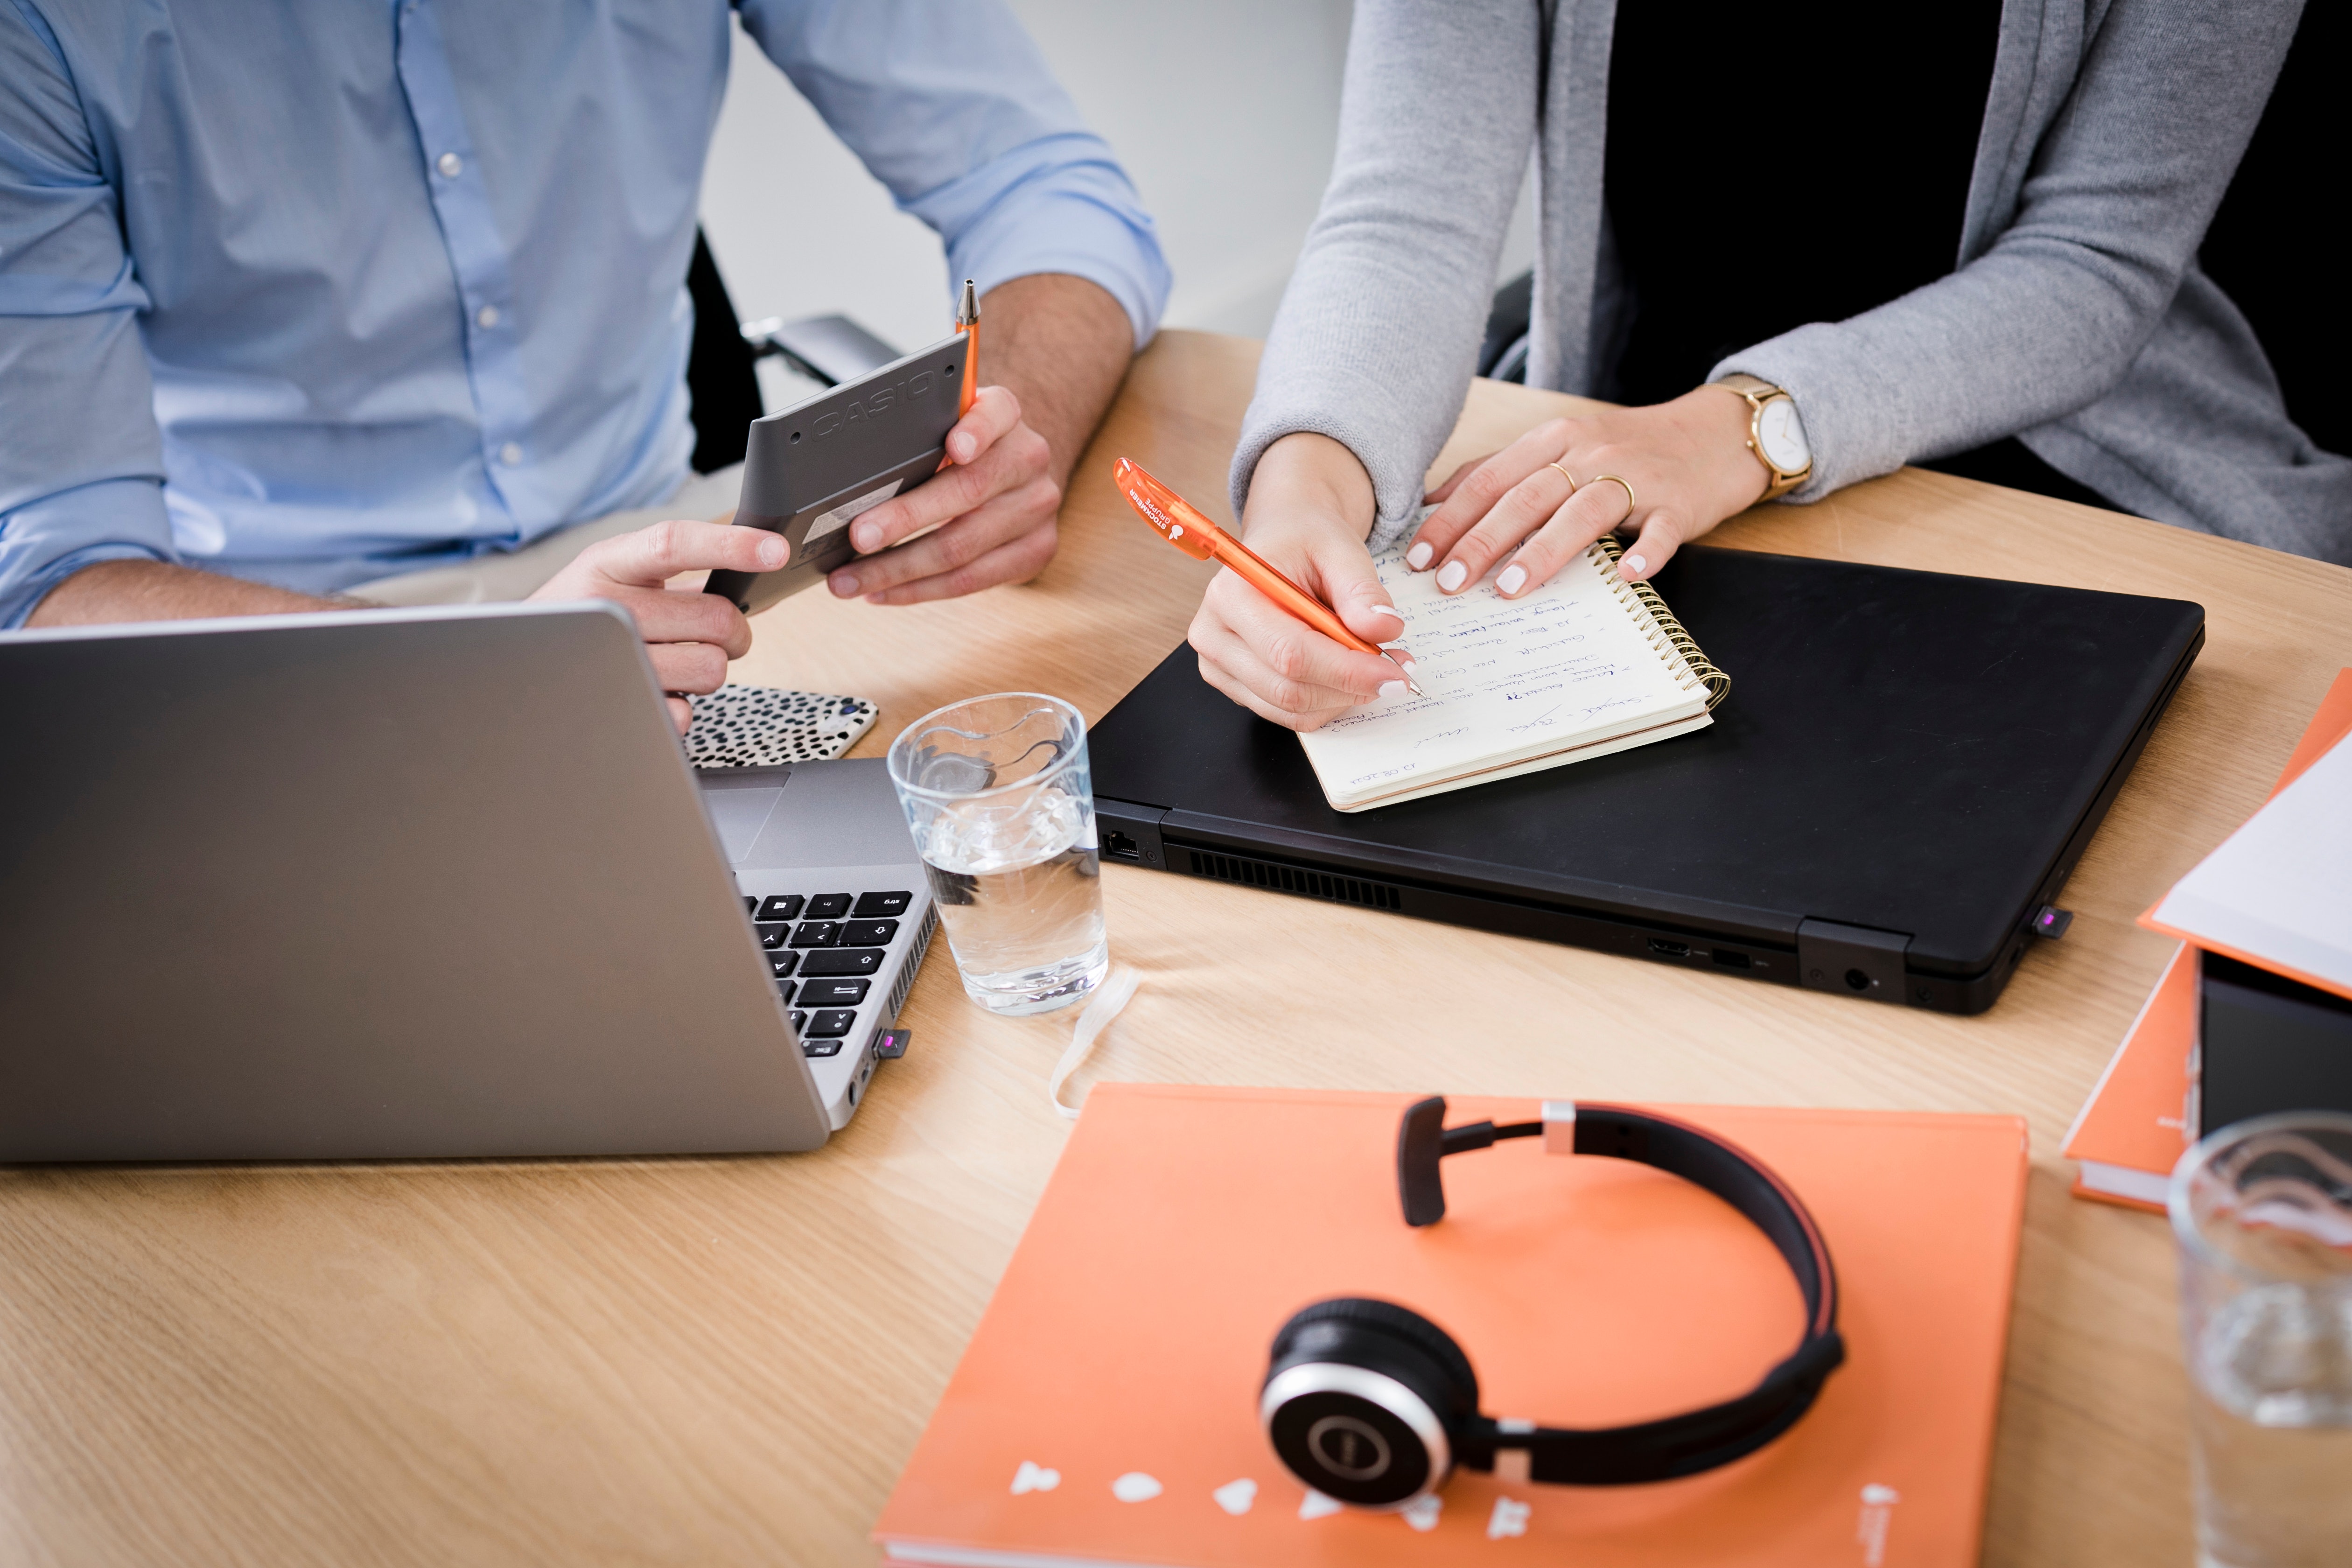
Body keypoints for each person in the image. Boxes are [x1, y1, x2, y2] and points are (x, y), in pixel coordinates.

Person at [0, 1, 1167, 730]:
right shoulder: (46, 30)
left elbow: (1040, 184)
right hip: (285, 646)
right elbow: (55, 580)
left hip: (672, 566)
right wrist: (490, 670)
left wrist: (1013, 448)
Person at [1194, 0, 2343, 733]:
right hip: (1619, 445)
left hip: (2050, 463)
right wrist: (1307, 479)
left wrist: (1744, 429)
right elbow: (1412, 212)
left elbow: (2098, 265)